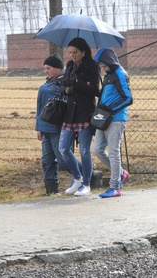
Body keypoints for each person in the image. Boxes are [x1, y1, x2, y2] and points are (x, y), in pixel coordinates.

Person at [59, 37, 101, 196]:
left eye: (74, 52)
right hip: (69, 113)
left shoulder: (93, 66)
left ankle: (87, 184)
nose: (71, 55)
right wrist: (67, 89)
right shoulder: (69, 65)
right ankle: (77, 177)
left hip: (85, 113)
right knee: (63, 148)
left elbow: (95, 90)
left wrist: (76, 84)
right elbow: (63, 85)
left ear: (83, 52)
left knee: (84, 151)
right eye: (69, 52)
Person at [93, 48, 132, 198]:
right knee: (97, 149)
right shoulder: (109, 76)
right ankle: (121, 173)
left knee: (114, 151)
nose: (103, 69)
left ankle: (115, 187)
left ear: (109, 62)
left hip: (116, 119)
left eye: (104, 65)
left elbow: (128, 98)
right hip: (103, 119)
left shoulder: (120, 75)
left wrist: (110, 109)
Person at [36, 53, 66, 195]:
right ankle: (51, 189)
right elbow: (40, 109)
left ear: (58, 68)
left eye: (49, 68)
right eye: (45, 68)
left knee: (63, 160)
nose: (46, 71)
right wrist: (39, 128)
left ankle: (88, 175)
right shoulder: (45, 86)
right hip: (46, 129)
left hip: (59, 128)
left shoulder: (66, 83)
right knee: (47, 160)